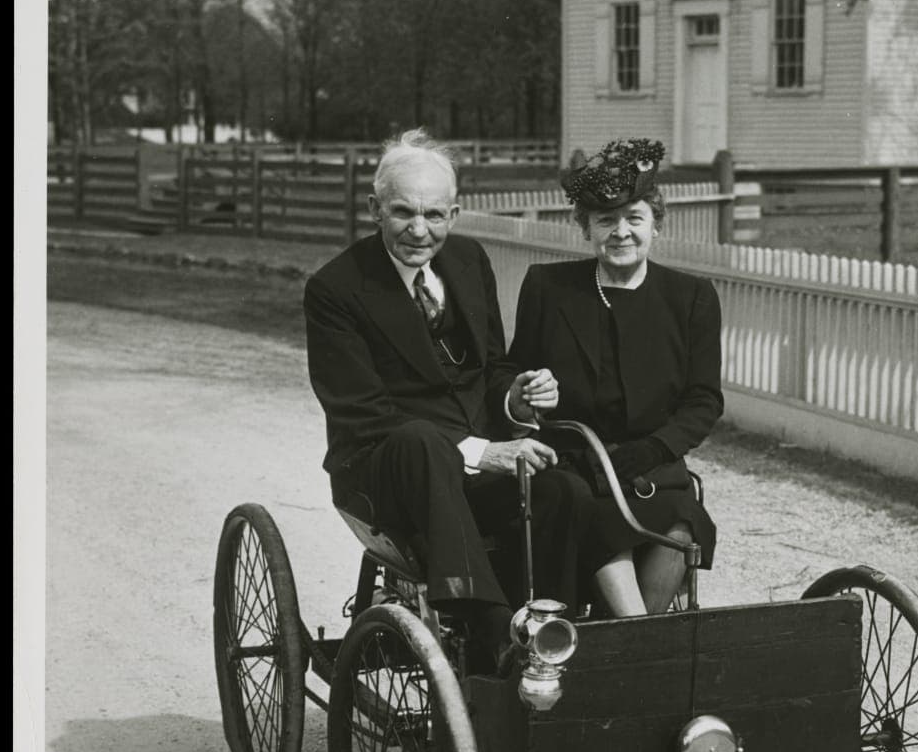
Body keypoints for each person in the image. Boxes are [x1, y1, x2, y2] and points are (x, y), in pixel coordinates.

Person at [303, 128, 592, 668]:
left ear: (454, 214)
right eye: (403, 212)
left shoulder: (467, 261)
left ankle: (550, 634)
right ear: (374, 209)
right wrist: (486, 452)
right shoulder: (335, 290)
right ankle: (487, 630)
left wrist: (517, 401)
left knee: (561, 489)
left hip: (470, 468)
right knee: (420, 441)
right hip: (385, 472)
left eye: (434, 215)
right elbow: (364, 416)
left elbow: (492, 367)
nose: (419, 230)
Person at [507, 137, 723, 616]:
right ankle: (638, 644)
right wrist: (523, 394)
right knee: (595, 514)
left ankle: (629, 646)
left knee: (682, 526)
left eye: (634, 219)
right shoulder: (549, 289)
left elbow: (704, 401)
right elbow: (512, 370)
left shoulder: (691, 299)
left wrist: (653, 449)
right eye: (606, 220)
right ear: (585, 228)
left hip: (652, 466)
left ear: (656, 225)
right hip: (572, 467)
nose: (621, 232)